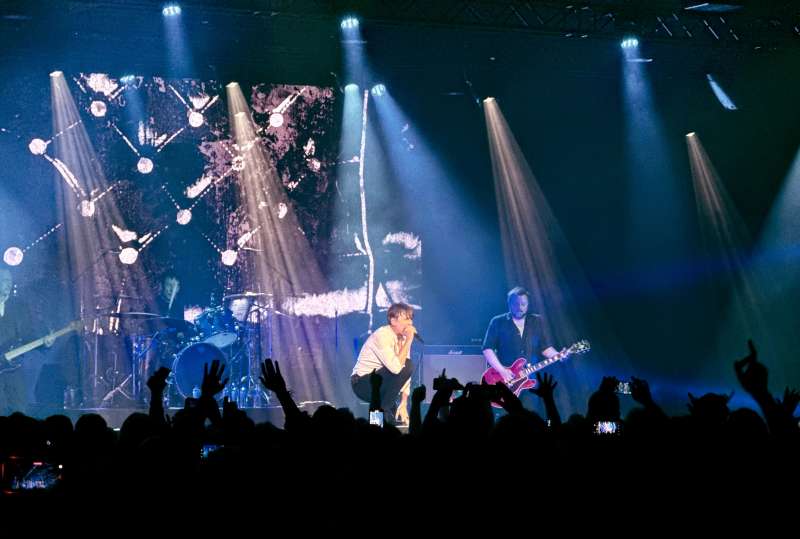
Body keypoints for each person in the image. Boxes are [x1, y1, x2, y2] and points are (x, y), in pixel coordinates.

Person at [351, 303, 417, 424]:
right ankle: (382, 415)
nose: (410, 323)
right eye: (406, 319)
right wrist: (409, 340)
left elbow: (405, 375)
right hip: (362, 383)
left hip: (380, 382)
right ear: (393, 320)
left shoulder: (402, 339)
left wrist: (404, 402)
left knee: (388, 418)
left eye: (411, 319)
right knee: (407, 365)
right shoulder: (382, 336)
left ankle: (378, 422)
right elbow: (397, 368)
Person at [482, 286, 558, 390]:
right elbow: (487, 349)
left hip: (531, 380)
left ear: (528, 304)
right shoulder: (498, 322)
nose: (520, 308)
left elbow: (545, 347)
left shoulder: (537, 321)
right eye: (516, 304)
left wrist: (559, 355)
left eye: (523, 304)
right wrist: (502, 370)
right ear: (509, 304)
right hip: (504, 380)